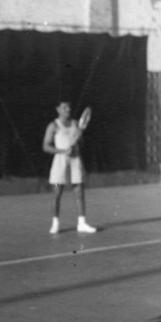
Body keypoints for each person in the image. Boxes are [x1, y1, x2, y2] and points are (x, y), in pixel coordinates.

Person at [42, 101, 97, 235]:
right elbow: (45, 146)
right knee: (56, 193)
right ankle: (55, 224)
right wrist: (62, 151)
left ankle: (82, 223)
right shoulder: (53, 126)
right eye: (64, 107)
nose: (67, 109)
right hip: (59, 163)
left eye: (69, 107)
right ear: (58, 109)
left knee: (80, 192)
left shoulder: (75, 124)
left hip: (75, 162)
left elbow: (80, 143)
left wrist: (78, 144)